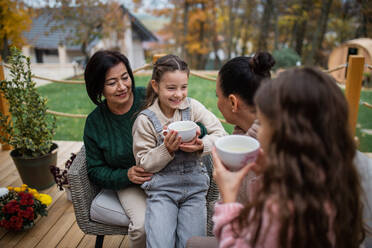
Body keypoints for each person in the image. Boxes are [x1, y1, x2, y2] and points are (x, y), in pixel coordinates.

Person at [212, 67, 365, 247]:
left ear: (284, 133)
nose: (258, 131)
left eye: (262, 122)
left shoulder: (281, 210)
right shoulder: (334, 178)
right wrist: (269, 177)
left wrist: (228, 199)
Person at [132, 54, 226, 248]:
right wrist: (166, 149)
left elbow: (221, 135)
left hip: (194, 190)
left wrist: (202, 145)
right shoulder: (145, 120)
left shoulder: (192, 107)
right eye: (171, 88)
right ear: (156, 86)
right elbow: (143, 162)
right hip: (162, 191)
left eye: (184, 87)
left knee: (191, 244)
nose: (178, 94)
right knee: (160, 243)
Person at [83, 50, 153, 248]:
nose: (122, 87)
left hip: (165, 174)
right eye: (112, 83)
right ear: (99, 88)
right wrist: (127, 175)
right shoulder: (95, 123)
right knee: (142, 226)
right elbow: (95, 170)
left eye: (125, 78)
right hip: (129, 184)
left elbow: (184, 117)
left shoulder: (148, 98)